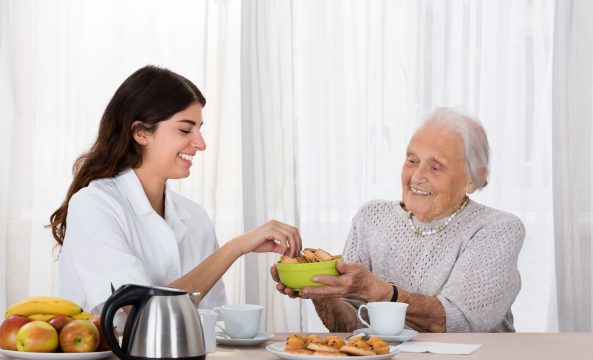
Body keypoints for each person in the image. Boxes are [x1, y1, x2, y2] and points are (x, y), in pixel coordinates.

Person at [51, 65, 301, 321]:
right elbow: (141, 309)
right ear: (140, 132)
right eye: (185, 130)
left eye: (200, 128)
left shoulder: (195, 216)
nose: (201, 143)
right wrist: (235, 248)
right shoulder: (94, 205)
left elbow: (210, 320)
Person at [272, 108, 525, 333]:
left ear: (472, 178)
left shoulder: (497, 229)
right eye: (412, 160)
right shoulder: (371, 218)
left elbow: (461, 324)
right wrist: (322, 290)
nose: (417, 176)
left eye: (435, 167)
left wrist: (382, 292)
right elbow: (349, 327)